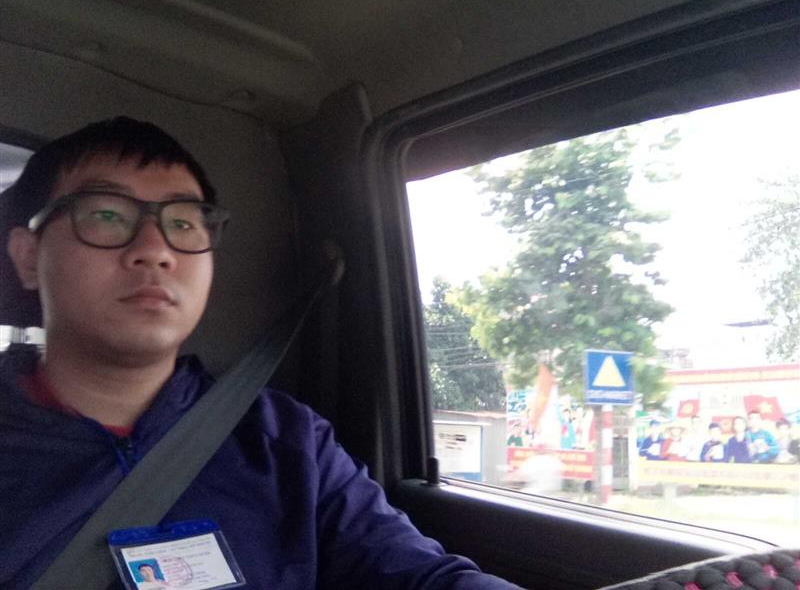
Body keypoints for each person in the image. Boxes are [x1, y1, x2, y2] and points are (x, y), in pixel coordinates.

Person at [0, 118, 520, 589]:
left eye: (183, 223)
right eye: (107, 214)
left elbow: (419, 575)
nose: (155, 249)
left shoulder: (285, 440)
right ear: (28, 256)